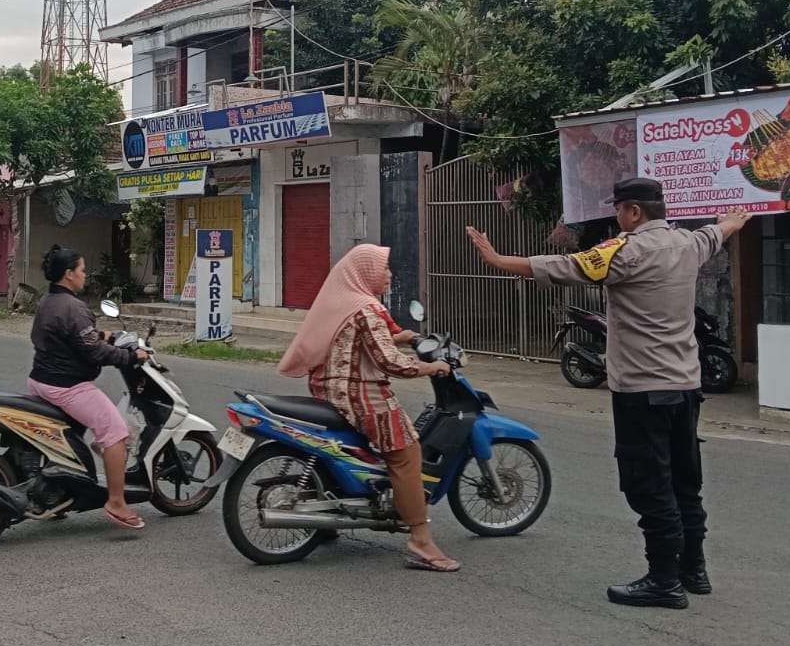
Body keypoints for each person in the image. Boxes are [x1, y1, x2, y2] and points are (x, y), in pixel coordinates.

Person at [467, 178, 750, 609]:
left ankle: (664, 581)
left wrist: (496, 258)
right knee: (684, 481)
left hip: (642, 388)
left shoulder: (624, 251)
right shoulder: (689, 244)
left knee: (649, 483)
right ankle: (694, 569)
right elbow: (719, 233)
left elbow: (562, 268)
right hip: (686, 386)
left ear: (634, 212)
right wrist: (731, 222)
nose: (616, 217)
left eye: (619, 209)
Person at [278, 244, 459, 573]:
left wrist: (404, 336)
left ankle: (331, 517)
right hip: (359, 393)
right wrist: (431, 368)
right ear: (366, 273)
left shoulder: (342, 300)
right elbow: (390, 363)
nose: (389, 275)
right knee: (406, 453)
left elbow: (369, 336)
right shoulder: (365, 307)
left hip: (327, 386)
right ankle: (420, 538)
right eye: (384, 269)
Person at [27, 245, 148, 530]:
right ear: (69, 275)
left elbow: (77, 338)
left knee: (68, 438)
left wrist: (106, 334)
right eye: (82, 271)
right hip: (67, 386)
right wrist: (131, 356)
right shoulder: (74, 308)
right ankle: (116, 502)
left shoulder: (47, 301)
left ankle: (59, 494)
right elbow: (94, 353)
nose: (85, 276)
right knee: (116, 432)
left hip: (39, 381)